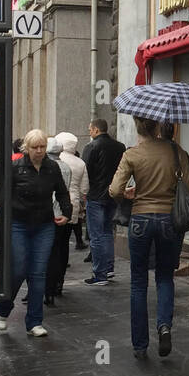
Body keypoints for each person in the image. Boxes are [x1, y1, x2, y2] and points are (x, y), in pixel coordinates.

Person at [108, 116, 189, 359]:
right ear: (158, 127)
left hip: (140, 221)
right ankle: (164, 327)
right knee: (164, 276)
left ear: (138, 128)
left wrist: (131, 194)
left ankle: (140, 345)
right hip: (169, 221)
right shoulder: (176, 151)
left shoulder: (132, 154)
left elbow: (115, 190)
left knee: (138, 282)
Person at [0, 129, 70, 337]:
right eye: (35, 147)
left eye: (42, 147)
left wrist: (66, 212)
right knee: (18, 269)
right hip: (18, 224)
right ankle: (3, 310)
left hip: (44, 226)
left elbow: (62, 192)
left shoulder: (52, 167)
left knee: (38, 273)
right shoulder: (16, 168)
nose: (39, 151)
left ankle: (35, 322)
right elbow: (3, 196)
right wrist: (2, 222)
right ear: (26, 148)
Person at [82, 117, 124, 286]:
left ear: (97, 130)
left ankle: (100, 273)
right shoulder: (119, 147)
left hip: (96, 195)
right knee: (107, 232)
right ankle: (108, 268)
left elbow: (86, 171)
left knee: (96, 235)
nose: (90, 133)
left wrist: (84, 192)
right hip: (112, 195)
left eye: (90, 130)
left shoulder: (91, 146)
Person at [44, 136, 73, 306]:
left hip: (52, 213)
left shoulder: (51, 167)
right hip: (62, 213)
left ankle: (48, 288)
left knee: (48, 254)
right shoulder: (66, 166)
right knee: (58, 251)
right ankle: (56, 285)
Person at [55, 132, 89, 251]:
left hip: (55, 202)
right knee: (65, 238)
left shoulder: (54, 160)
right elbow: (84, 188)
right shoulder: (80, 162)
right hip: (73, 202)